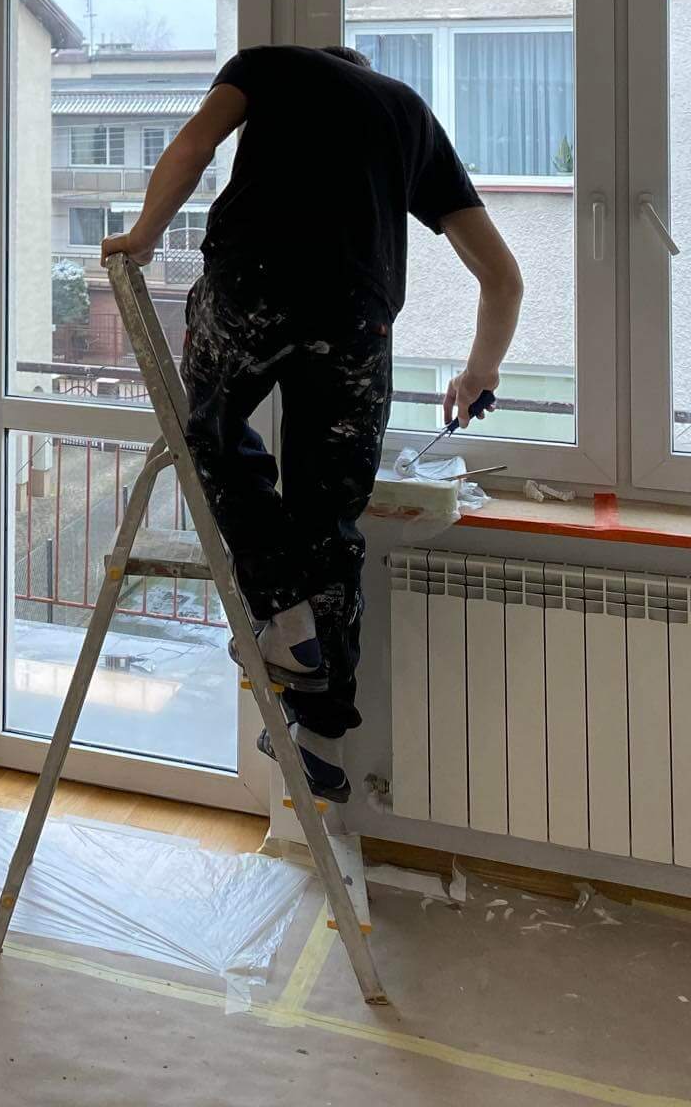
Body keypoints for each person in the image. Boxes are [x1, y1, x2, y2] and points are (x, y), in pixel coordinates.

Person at [101, 43, 523, 802]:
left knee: (209, 432)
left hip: (254, 280)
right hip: (357, 319)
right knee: (330, 521)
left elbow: (194, 146)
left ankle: (285, 618)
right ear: (363, 71)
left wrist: (143, 234)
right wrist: (478, 372)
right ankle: (323, 739)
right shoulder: (408, 113)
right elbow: (503, 276)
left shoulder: (271, 65)